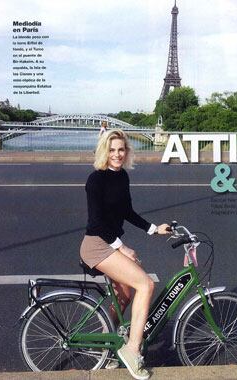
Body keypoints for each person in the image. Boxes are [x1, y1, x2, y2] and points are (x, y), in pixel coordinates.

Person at [80, 129, 170, 379]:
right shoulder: (95, 180)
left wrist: (154, 229)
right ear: (104, 152)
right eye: (111, 150)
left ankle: (106, 346)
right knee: (146, 284)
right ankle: (132, 349)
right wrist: (123, 248)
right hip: (96, 245)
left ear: (127, 151)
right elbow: (97, 223)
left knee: (126, 295)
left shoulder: (122, 178)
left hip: (110, 243)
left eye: (121, 149)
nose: (117, 154)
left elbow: (128, 211)